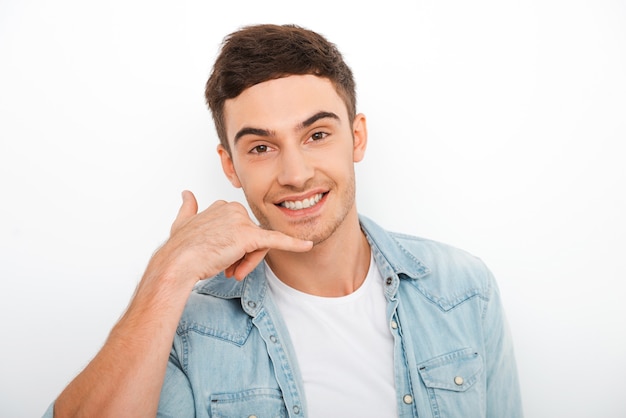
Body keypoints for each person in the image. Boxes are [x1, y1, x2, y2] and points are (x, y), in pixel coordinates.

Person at [43, 24, 523, 418]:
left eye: (316, 134)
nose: (295, 175)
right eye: (261, 147)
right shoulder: (187, 330)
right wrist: (169, 272)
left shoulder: (463, 290)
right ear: (229, 165)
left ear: (356, 137)